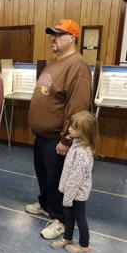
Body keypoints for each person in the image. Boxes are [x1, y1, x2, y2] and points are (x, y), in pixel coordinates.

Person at [25, 19, 92, 240]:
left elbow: (78, 107)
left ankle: (61, 219)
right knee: (45, 177)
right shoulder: (54, 62)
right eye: (52, 35)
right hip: (42, 136)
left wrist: (66, 139)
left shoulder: (78, 65)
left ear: (72, 38)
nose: (53, 38)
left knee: (58, 182)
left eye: (58, 35)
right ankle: (46, 205)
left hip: (57, 138)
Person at [50, 111, 98, 253]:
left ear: (84, 132)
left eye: (74, 128)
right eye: (71, 125)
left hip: (76, 194)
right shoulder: (76, 143)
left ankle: (84, 246)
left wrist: (68, 197)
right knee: (68, 216)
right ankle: (68, 238)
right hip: (69, 192)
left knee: (79, 218)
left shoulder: (82, 153)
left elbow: (75, 178)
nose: (69, 129)